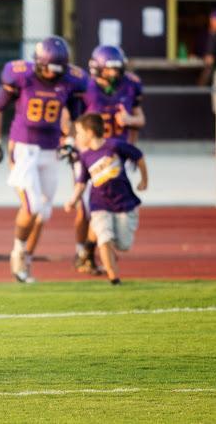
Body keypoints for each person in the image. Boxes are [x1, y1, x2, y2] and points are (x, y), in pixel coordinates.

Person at [0, 36, 87, 283]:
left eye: (58, 69)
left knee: (43, 212)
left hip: (50, 148)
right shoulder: (21, 75)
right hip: (23, 147)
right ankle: (18, 251)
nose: (53, 75)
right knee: (31, 206)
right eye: (49, 68)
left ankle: (27, 259)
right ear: (38, 62)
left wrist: (70, 141)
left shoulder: (71, 81)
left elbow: (73, 117)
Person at [73, 45, 145, 274]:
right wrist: (73, 146)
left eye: (117, 68)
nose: (115, 73)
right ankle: (83, 251)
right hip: (90, 154)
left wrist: (130, 121)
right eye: (110, 69)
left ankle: (91, 249)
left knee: (110, 203)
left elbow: (140, 119)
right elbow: (73, 123)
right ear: (98, 68)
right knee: (86, 207)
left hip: (116, 152)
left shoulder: (131, 84)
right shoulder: (85, 88)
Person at [64, 113, 148, 284]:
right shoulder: (85, 157)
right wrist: (73, 200)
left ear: (90, 132)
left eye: (79, 133)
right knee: (104, 238)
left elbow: (138, 156)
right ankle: (114, 279)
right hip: (100, 204)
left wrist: (144, 180)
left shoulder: (115, 146)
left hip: (124, 203)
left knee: (123, 244)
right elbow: (81, 183)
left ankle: (110, 253)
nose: (77, 137)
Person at [198, 9, 216, 87]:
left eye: (214, 20)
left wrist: (213, 58)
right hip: (209, 69)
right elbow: (202, 49)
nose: (212, 23)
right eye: (211, 20)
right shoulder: (208, 34)